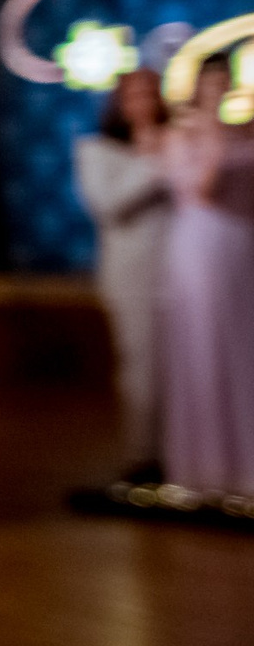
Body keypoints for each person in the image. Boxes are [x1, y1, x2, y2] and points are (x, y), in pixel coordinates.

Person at [161, 50, 254, 493]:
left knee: (244, 348)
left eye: (224, 80)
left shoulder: (246, 129)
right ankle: (208, 468)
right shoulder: (183, 136)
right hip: (200, 247)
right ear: (197, 86)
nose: (218, 87)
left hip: (242, 246)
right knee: (206, 349)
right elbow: (204, 188)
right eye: (210, 81)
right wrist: (215, 130)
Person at [75, 69, 173, 481]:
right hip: (133, 273)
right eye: (134, 95)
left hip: (185, 270)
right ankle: (143, 457)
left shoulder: (177, 141)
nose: (144, 102)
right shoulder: (95, 149)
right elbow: (107, 205)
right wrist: (152, 163)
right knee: (143, 365)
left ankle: (187, 450)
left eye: (151, 93)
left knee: (185, 366)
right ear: (118, 103)